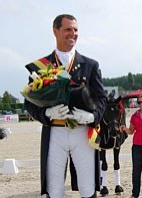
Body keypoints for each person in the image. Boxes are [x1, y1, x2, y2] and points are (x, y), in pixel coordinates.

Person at [24, 14, 107, 198]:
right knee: (54, 190)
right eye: (68, 29)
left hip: (82, 131)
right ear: (55, 31)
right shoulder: (39, 67)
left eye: (75, 30)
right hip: (55, 132)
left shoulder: (90, 65)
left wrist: (92, 117)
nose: (73, 34)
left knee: (88, 187)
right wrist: (46, 113)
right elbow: (28, 103)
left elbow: (102, 99)